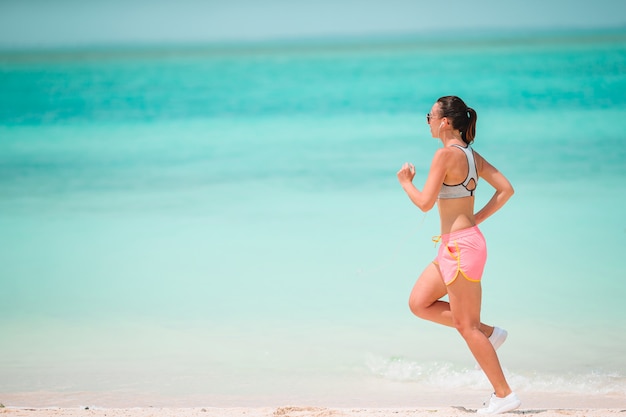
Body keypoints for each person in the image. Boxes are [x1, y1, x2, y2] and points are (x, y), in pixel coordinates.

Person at [396, 96, 521, 415]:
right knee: (419, 302)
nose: (427, 121)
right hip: (462, 244)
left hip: (460, 249)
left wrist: (406, 183)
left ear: (445, 122)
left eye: (429, 115)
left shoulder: (444, 155)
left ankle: (504, 395)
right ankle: (490, 333)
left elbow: (425, 202)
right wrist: (474, 219)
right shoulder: (471, 155)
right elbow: (506, 189)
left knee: (466, 326)